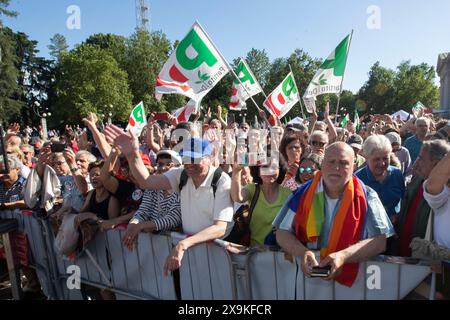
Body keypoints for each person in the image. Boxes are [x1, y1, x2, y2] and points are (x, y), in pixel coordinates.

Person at [104, 125, 234, 276]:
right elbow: (147, 182)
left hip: (216, 254)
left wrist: (184, 243)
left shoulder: (221, 180)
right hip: (189, 252)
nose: (189, 163)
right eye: (186, 158)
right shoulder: (181, 175)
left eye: (195, 158)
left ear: (209, 158)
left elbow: (219, 228)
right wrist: (132, 154)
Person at [274, 142, 394, 287]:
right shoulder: (302, 193)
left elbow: (379, 241)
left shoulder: (368, 196)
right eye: (331, 161)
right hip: (307, 281)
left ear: (354, 166)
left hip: (352, 284)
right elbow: (281, 232)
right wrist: (302, 252)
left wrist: (343, 256)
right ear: (323, 163)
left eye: (343, 163)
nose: (336, 168)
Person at [392, 139, 450, 256]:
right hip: (405, 253)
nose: (416, 163)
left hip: (428, 263)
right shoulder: (418, 181)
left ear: (437, 163)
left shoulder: (443, 191)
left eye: (421, 158)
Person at [123, 149, 182, 251]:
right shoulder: (152, 188)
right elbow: (143, 210)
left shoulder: (181, 189)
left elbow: (174, 218)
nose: (163, 168)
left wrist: (141, 226)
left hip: (176, 246)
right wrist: (132, 225)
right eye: (160, 164)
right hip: (155, 246)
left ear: (177, 168)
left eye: (168, 164)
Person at [231, 161, 290, 246]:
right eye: (265, 167)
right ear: (258, 171)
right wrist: (236, 171)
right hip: (254, 251)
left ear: (280, 170)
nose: (270, 171)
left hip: (280, 252)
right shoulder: (252, 189)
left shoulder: (288, 194)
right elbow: (237, 198)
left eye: (274, 167)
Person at [355, 135, 405, 220]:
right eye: (377, 159)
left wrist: (399, 215)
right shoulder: (358, 179)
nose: (382, 163)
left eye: (385, 158)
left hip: (396, 228)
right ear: (366, 158)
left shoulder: (396, 174)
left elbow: (404, 200)